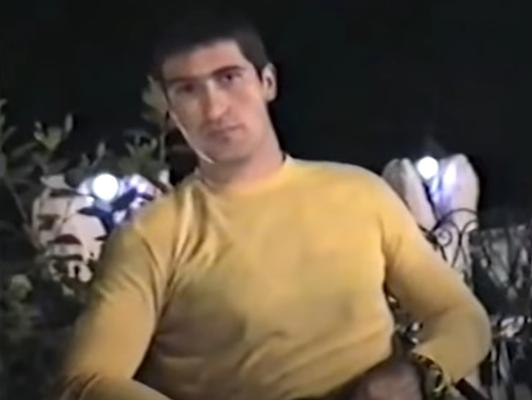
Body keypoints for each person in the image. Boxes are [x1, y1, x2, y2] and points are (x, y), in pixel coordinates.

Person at [56, 8, 491, 400]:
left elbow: (461, 316)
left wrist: (414, 376)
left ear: (267, 82)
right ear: (171, 108)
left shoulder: (360, 194)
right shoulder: (152, 236)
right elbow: (88, 380)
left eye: (229, 78)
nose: (214, 108)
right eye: (188, 90)